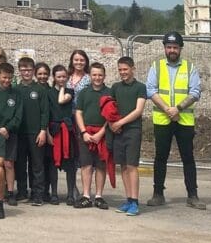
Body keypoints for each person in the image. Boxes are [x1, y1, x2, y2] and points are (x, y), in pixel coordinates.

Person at [146, 32, 206, 210]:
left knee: (188, 158)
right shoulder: (156, 66)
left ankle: (192, 195)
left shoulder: (189, 67)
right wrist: (167, 109)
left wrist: (177, 109)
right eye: (169, 47)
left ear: (180, 48)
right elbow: (150, 90)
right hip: (163, 120)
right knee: (160, 158)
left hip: (184, 120)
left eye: (175, 47)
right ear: (165, 48)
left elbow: (195, 92)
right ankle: (158, 194)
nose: (172, 50)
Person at [110, 56, 147, 216]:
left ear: (132, 69)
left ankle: (135, 201)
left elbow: (138, 110)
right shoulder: (115, 87)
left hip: (132, 130)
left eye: (125, 69)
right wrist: (113, 124)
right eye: (120, 70)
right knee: (123, 166)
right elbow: (110, 107)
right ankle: (128, 199)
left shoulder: (140, 87)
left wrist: (120, 123)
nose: (122, 72)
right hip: (118, 132)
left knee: (132, 166)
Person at [75, 62, 111, 209]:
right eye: (94, 75)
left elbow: (111, 116)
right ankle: (85, 196)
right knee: (86, 165)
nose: (97, 77)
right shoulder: (84, 93)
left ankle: (99, 196)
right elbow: (79, 112)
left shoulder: (109, 93)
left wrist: (101, 133)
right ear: (90, 76)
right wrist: (83, 132)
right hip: (86, 134)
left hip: (102, 134)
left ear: (104, 76)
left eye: (100, 75)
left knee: (101, 166)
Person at [14, 57, 49, 206]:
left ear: (33, 71)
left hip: (35, 132)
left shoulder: (40, 89)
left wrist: (42, 130)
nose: (26, 72)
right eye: (23, 70)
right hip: (19, 133)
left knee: (37, 164)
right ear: (19, 71)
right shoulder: (15, 89)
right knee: (20, 164)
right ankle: (22, 192)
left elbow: (45, 112)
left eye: (29, 70)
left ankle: (37, 194)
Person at [0, 62, 22, 205]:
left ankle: (11, 192)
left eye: (9, 78)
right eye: (4, 77)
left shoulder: (16, 94)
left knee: (8, 164)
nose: (7, 80)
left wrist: (7, 129)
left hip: (10, 133)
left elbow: (18, 116)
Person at [48, 64, 77, 205]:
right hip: (54, 130)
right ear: (53, 77)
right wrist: (47, 133)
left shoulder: (70, 91)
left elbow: (61, 100)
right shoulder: (48, 93)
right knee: (53, 164)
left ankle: (70, 194)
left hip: (67, 129)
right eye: (58, 77)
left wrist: (63, 87)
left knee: (70, 163)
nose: (61, 79)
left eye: (64, 77)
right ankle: (54, 193)